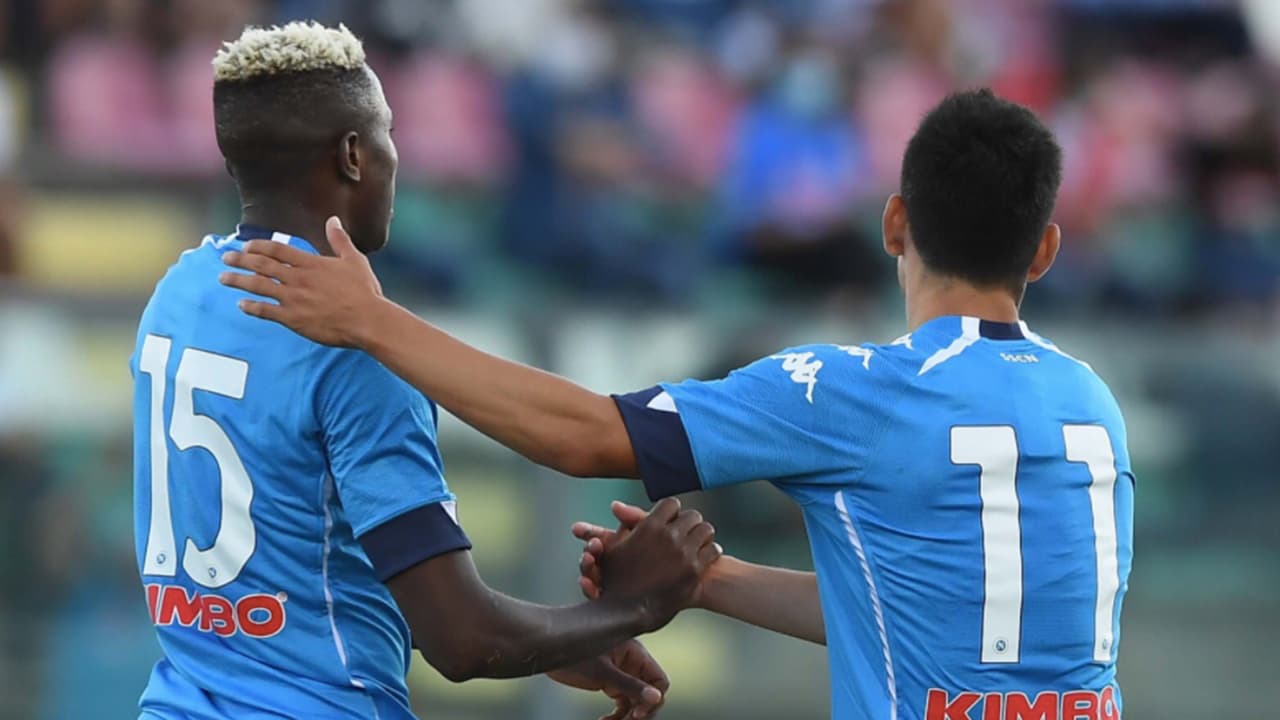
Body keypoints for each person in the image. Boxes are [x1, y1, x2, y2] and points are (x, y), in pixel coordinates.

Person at [221, 89, 1136, 720]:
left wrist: (375, 323)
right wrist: (709, 582)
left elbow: (586, 436)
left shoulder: (854, 391)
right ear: (1045, 249)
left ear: (894, 222)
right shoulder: (1092, 406)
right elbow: (929, 609)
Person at [133, 22, 720, 720]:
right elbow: (464, 640)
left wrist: (565, 644)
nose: (395, 157)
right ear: (353, 155)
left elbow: (303, 565)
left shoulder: (179, 294)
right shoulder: (362, 350)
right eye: (388, 134)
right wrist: (641, 605)